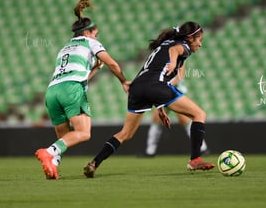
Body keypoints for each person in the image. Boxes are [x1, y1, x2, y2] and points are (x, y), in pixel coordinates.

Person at [83, 21, 214, 178]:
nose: (200, 44)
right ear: (190, 38)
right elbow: (174, 51)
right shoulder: (182, 46)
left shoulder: (165, 43)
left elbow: (155, 76)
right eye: (199, 39)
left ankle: (94, 163)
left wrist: (160, 108)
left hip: (137, 88)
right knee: (199, 114)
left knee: (125, 133)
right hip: (155, 86)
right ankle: (195, 159)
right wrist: (173, 61)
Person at [35, 0, 130, 179]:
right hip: (71, 90)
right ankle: (48, 152)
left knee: (64, 138)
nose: (96, 37)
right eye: (96, 34)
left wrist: (94, 69)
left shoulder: (65, 48)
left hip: (53, 91)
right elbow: (112, 63)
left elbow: (77, 76)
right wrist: (123, 80)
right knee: (83, 133)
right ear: (87, 33)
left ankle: (52, 166)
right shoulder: (90, 43)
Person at [142, 81, 209, 157]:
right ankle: (150, 151)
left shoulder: (173, 69)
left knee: (184, 120)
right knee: (157, 119)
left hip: (176, 92)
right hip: (164, 92)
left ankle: (202, 148)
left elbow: (177, 76)